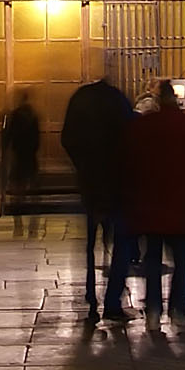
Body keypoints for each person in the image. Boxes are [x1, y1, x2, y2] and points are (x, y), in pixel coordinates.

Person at [122, 77, 185, 321]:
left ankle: (152, 310)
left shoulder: (144, 125)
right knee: (182, 262)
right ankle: (179, 310)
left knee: (152, 260)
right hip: (182, 203)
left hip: (151, 202)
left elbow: (130, 157)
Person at [59, 64, 134, 324]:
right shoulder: (119, 101)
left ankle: (91, 298)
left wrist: (82, 164)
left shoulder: (80, 100)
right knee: (122, 242)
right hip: (117, 182)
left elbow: (67, 138)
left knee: (90, 245)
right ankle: (113, 302)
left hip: (90, 182)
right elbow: (132, 136)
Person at [0, 90, 43, 235]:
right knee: (34, 192)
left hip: (18, 155)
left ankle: (18, 224)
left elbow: (8, 136)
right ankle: (33, 225)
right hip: (30, 155)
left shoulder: (15, 115)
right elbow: (37, 139)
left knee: (18, 192)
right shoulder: (33, 116)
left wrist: (5, 151)